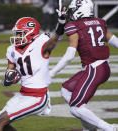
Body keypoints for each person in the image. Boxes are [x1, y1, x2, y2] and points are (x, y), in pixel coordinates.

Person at [0, 4, 67, 131]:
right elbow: (10, 70)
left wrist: (61, 23)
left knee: (0, 121)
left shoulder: (41, 43)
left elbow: (56, 39)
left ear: (30, 33)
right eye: (17, 34)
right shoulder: (12, 50)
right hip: (23, 93)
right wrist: (8, 78)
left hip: (38, 96)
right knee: (1, 120)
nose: (17, 37)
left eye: (20, 34)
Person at [49, 0, 118, 130]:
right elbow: (115, 41)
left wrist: (52, 73)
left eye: (73, 10)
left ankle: (110, 128)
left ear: (80, 10)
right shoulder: (99, 22)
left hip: (94, 68)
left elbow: (69, 56)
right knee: (66, 91)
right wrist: (62, 22)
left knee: (75, 108)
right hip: (101, 67)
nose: (71, 13)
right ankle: (89, 126)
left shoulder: (75, 26)